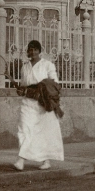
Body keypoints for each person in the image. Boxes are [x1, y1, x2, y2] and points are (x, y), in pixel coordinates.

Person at [13, 40, 64, 171]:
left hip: (43, 104)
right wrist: (21, 90)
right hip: (27, 103)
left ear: (39, 51)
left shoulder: (47, 65)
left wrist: (37, 89)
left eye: (35, 49)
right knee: (24, 129)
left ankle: (45, 160)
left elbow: (54, 84)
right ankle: (21, 159)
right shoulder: (24, 67)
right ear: (27, 52)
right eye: (30, 50)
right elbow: (24, 86)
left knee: (44, 133)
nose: (32, 52)